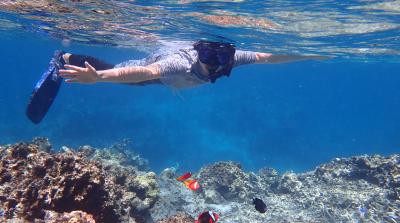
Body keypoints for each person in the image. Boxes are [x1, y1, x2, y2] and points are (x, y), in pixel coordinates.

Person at [26, 40, 327, 124]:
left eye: (219, 59)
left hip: (162, 80)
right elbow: (146, 73)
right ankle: (63, 58)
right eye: (207, 56)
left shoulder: (230, 59)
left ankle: (66, 59)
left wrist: (309, 55)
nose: (212, 64)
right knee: (124, 77)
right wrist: (100, 77)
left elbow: (266, 57)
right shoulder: (180, 61)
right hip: (148, 70)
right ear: (198, 53)